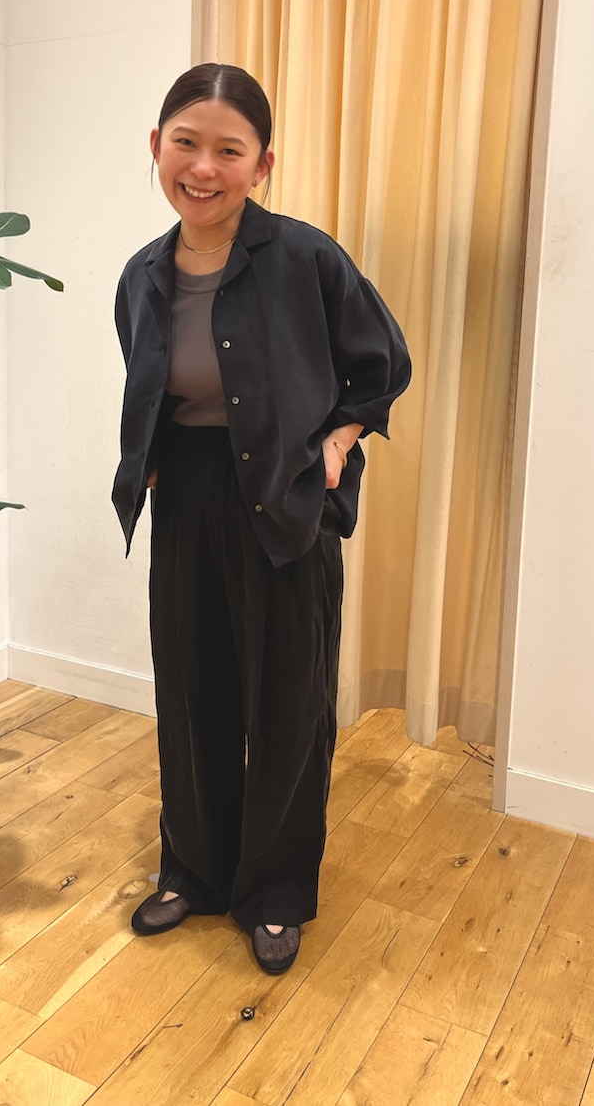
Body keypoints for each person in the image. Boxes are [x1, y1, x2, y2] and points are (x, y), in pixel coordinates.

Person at [113, 64, 410, 975]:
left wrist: (339, 441)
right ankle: (194, 870)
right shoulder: (141, 275)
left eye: (228, 150)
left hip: (285, 496)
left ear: (262, 163)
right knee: (191, 691)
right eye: (185, 144)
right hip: (188, 498)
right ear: (157, 147)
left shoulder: (305, 259)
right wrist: (149, 452)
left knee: (287, 704)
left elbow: (382, 362)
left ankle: (275, 890)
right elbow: (148, 377)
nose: (203, 168)